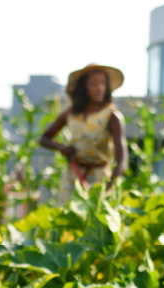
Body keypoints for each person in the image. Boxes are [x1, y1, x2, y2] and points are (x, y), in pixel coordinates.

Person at [39, 63, 127, 203]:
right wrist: (62, 148)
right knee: (66, 218)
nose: (100, 88)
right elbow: (44, 138)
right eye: (93, 84)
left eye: (103, 84)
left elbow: (122, 162)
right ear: (83, 88)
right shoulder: (71, 113)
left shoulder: (112, 116)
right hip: (73, 175)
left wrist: (106, 188)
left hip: (100, 179)